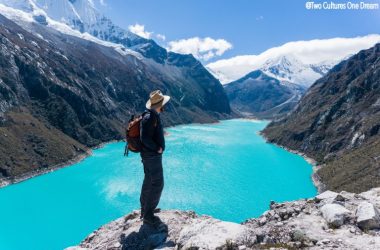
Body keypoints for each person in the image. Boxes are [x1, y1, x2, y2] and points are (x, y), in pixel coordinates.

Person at [139, 90, 170, 227]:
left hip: (148, 156)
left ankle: (145, 210)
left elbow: (148, 135)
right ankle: (148, 215)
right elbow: (144, 137)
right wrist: (157, 148)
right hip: (152, 156)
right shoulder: (151, 117)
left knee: (148, 181)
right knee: (158, 183)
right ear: (159, 104)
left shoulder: (151, 115)